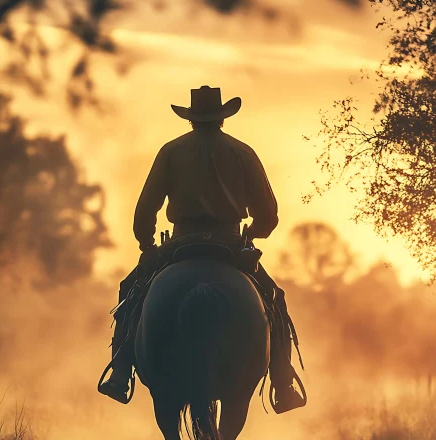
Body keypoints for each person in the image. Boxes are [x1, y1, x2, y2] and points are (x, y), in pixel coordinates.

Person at [98, 85, 304, 411]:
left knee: (130, 292)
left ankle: (121, 373)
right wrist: (254, 231)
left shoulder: (171, 151)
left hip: (180, 242)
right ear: (222, 118)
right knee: (275, 300)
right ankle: (282, 382)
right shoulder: (243, 152)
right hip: (230, 243)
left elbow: (146, 207)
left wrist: (147, 244)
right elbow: (268, 213)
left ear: (191, 119)